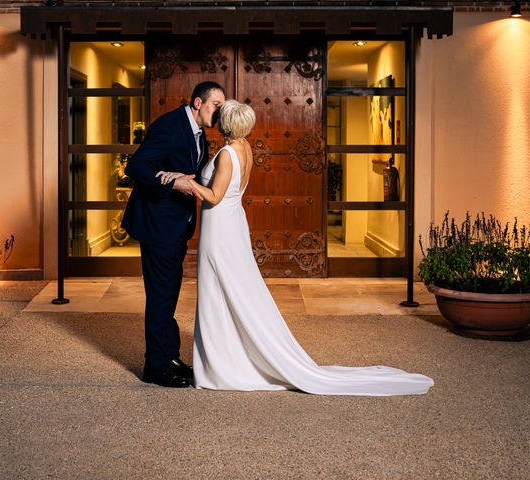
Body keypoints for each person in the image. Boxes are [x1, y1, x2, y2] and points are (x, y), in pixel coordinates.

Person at [157, 100, 433, 395]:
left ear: (226, 124)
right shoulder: (245, 149)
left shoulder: (227, 153)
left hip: (221, 229)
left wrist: (179, 182)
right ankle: (225, 358)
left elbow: (214, 196)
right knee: (229, 290)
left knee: (218, 289)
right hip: (231, 223)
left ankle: (222, 366)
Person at [121, 81, 226, 388]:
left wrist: (184, 176)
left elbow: (186, 168)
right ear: (198, 103)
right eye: (215, 105)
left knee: (168, 294)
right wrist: (171, 183)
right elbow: (137, 166)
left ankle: (169, 356)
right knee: (160, 296)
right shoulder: (169, 124)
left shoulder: (199, 133)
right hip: (158, 225)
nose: (218, 111)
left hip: (176, 226)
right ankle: (155, 367)